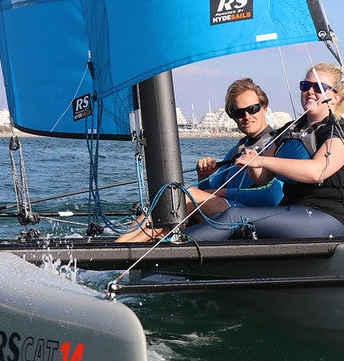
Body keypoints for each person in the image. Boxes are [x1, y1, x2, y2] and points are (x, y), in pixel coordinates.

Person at [185, 62, 344, 240]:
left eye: (319, 88)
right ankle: (174, 241)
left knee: (234, 216)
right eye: (305, 86)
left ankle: (174, 247)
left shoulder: (340, 133)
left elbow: (317, 172)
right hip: (290, 211)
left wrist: (262, 160)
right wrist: (254, 164)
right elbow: (263, 178)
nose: (310, 91)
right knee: (207, 207)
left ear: (336, 98)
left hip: (326, 218)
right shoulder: (288, 130)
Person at [116, 78, 283, 242]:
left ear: (264, 108)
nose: (247, 116)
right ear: (233, 116)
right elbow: (208, 192)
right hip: (225, 213)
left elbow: (273, 196)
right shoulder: (236, 150)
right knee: (173, 204)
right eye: (239, 113)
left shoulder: (277, 143)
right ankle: (124, 247)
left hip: (256, 217)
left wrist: (222, 193)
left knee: (181, 196)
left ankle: (123, 247)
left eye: (253, 109)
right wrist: (203, 177)